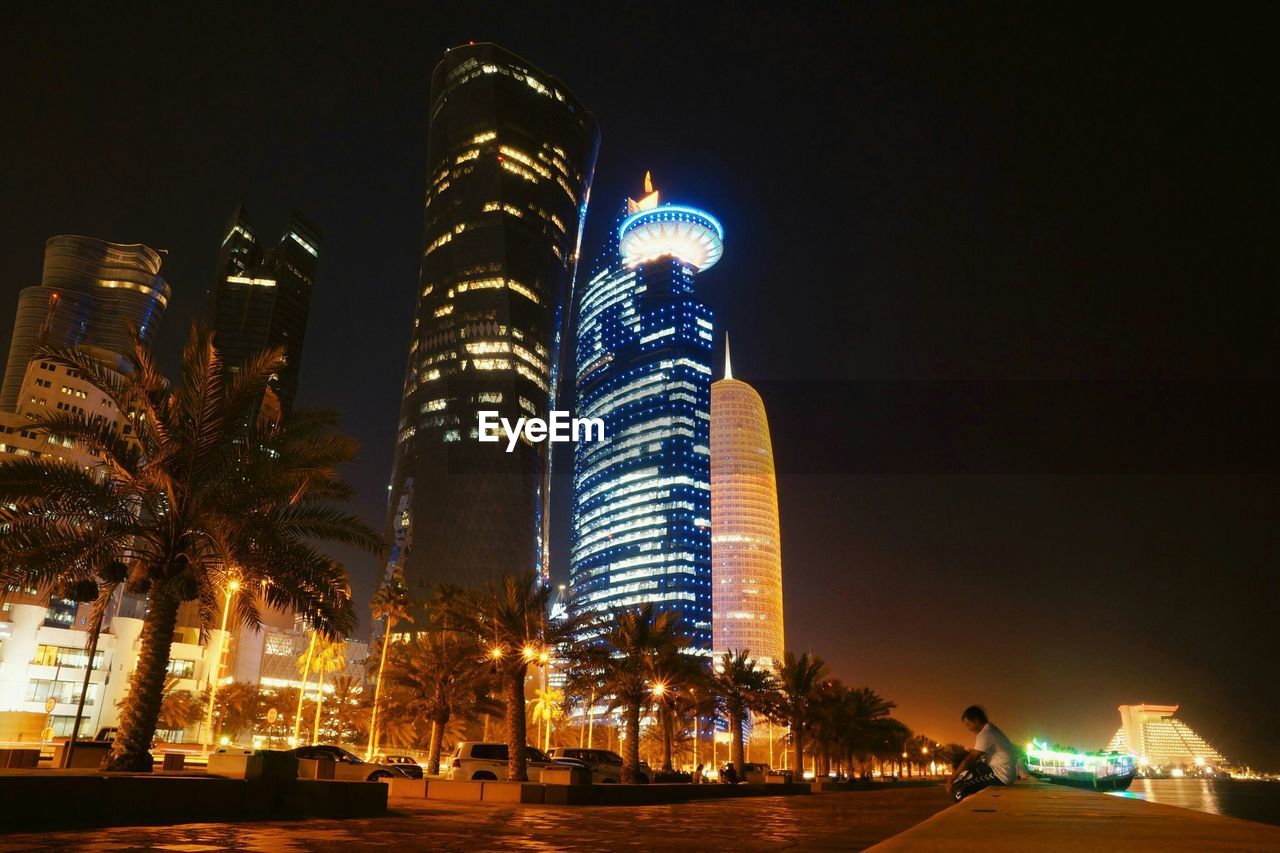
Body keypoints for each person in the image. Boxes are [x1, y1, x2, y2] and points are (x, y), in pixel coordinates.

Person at [946, 705, 1017, 801]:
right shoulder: (990, 729)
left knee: (961, 787)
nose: (968, 728)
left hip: (1001, 776)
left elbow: (971, 758)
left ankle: (964, 812)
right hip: (1001, 771)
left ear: (976, 721)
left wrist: (952, 778)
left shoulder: (985, 733)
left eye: (968, 724)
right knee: (968, 771)